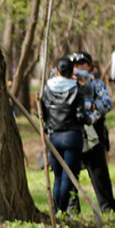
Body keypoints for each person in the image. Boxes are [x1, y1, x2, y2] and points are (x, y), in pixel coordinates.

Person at [71, 51, 115, 213]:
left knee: (100, 176)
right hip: (73, 136)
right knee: (70, 175)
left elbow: (107, 104)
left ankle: (108, 208)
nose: (78, 67)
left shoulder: (97, 84)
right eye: (75, 65)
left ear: (90, 66)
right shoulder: (65, 84)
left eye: (82, 64)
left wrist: (90, 106)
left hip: (94, 137)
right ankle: (71, 209)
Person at [41, 55, 89, 216]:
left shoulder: (47, 88)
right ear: (71, 72)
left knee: (58, 176)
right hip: (72, 136)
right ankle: (61, 209)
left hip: (54, 137)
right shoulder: (76, 88)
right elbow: (81, 115)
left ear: (56, 71)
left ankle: (56, 210)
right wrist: (90, 119)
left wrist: (49, 124)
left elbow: (41, 112)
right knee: (69, 175)